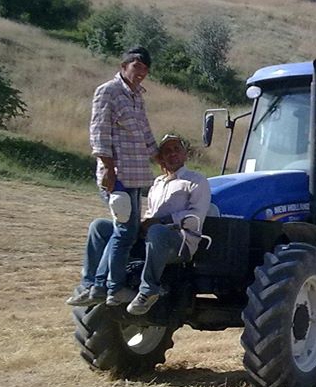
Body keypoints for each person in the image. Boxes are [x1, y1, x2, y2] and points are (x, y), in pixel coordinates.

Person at [67, 47, 158, 307]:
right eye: (136, 67)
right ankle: (109, 287)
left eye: (145, 69)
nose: (141, 73)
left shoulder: (137, 97)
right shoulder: (108, 91)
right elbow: (99, 130)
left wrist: (161, 157)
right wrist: (107, 166)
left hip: (136, 177)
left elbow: (145, 135)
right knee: (124, 233)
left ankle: (97, 287)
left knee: (124, 232)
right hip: (118, 176)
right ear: (123, 66)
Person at [126, 134, 211, 315]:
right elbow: (151, 212)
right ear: (161, 157)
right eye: (167, 151)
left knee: (157, 231)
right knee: (102, 228)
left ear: (184, 155)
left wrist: (161, 222)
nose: (172, 154)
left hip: (181, 241)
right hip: (153, 237)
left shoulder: (196, 181)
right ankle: (103, 284)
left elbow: (196, 215)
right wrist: (142, 225)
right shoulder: (157, 183)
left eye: (176, 150)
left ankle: (148, 290)